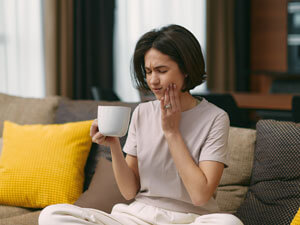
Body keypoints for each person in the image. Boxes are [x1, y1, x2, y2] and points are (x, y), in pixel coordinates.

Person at [39, 24, 243, 225]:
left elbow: (200, 196)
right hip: (138, 217)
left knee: (229, 223)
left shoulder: (215, 118)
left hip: (191, 219)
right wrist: (114, 145)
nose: (153, 81)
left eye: (161, 70)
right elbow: (129, 191)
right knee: (52, 215)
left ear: (186, 69)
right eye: (148, 71)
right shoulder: (143, 112)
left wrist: (172, 133)